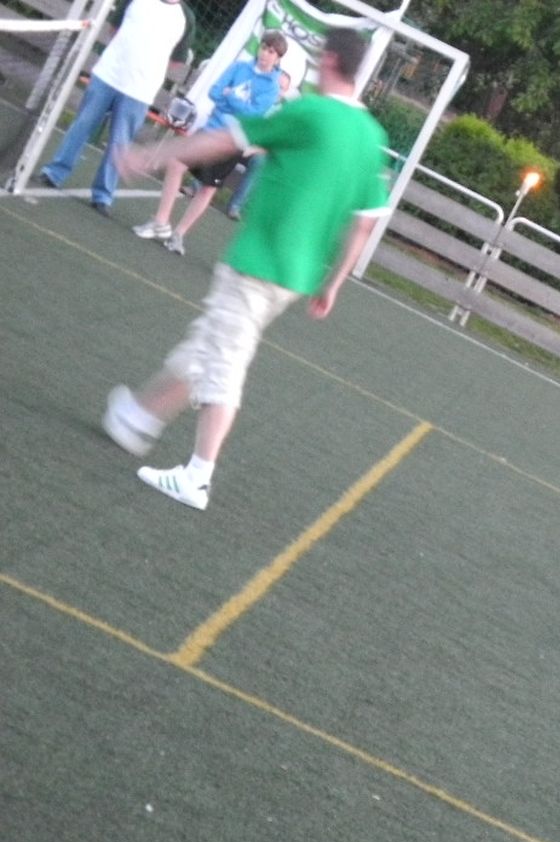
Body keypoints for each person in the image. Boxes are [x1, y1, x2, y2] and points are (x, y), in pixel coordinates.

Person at [102, 27, 390, 511]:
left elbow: (224, 140)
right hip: (295, 277)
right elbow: (364, 224)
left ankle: (197, 476)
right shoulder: (371, 137)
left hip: (258, 261)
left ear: (330, 60)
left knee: (223, 364)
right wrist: (333, 283)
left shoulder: (310, 112)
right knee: (207, 345)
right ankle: (138, 418)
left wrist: (151, 155)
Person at [132, 31, 288, 256]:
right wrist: (233, 102)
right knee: (176, 164)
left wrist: (230, 96)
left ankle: (179, 235)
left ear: (278, 58)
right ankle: (161, 222)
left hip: (232, 141)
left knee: (207, 188)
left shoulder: (271, 87)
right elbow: (215, 92)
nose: (265, 54)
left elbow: (253, 115)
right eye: (264, 48)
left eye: (271, 52)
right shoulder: (239, 67)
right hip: (210, 129)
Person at [39, 0, 194, 215]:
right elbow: (114, 27)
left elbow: (177, 60)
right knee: (82, 124)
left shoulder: (186, 18)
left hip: (140, 90)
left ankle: (102, 195)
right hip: (107, 75)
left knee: (120, 142)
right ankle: (54, 172)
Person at [224, 70, 293, 220]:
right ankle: (196, 186)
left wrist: (254, 148)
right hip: (239, 139)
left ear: (285, 92)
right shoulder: (256, 99)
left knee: (260, 162)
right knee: (223, 145)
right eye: (276, 85)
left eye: (282, 88)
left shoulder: (282, 113)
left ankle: (235, 206)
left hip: (256, 150)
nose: (278, 90)